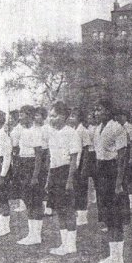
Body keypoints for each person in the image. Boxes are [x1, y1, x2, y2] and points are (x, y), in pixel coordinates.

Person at [93, 99, 130, 263]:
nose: (97, 113)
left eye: (100, 109)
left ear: (108, 111)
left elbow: (122, 158)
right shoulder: (98, 129)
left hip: (114, 171)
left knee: (116, 217)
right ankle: (112, 255)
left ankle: (119, 259)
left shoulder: (117, 128)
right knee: (107, 216)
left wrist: (119, 182)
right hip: (102, 171)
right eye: (95, 110)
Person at [46, 102, 82, 255]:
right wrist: (49, 179)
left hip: (67, 172)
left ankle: (71, 245)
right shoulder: (53, 134)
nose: (51, 119)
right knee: (59, 209)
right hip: (55, 172)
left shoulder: (71, 133)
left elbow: (74, 159)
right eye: (50, 116)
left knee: (68, 209)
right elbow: (52, 159)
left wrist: (69, 180)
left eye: (53, 116)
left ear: (63, 116)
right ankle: (64, 244)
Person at [16, 105, 44, 245]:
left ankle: (36, 235)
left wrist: (35, 176)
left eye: (23, 115)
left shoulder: (36, 131)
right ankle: (31, 233)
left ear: (30, 116)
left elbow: (39, 155)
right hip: (23, 165)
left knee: (35, 201)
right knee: (28, 200)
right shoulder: (24, 131)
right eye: (20, 114)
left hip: (32, 166)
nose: (20, 117)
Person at [68, 107, 92, 226]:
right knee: (75, 188)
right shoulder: (73, 129)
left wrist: (84, 168)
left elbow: (86, 150)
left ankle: (83, 216)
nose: (71, 118)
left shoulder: (83, 131)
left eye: (74, 116)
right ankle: (78, 212)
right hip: (75, 160)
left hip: (82, 161)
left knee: (82, 188)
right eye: (71, 115)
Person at [115, 109, 132, 208]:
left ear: (125, 116)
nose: (119, 118)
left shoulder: (129, 127)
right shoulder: (118, 127)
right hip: (120, 151)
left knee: (128, 177)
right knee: (121, 176)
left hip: (127, 152)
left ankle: (130, 199)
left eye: (121, 115)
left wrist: (131, 158)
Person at [34, 106, 51, 216]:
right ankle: (39, 204)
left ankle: (48, 206)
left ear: (43, 117)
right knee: (38, 180)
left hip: (45, 154)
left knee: (46, 180)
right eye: (34, 115)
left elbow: (50, 146)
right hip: (36, 155)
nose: (35, 117)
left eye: (38, 115)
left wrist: (48, 160)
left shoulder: (47, 128)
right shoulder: (34, 128)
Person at [9, 109, 26, 213]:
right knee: (18, 179)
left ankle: (23, 203)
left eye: (11, 118)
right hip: (15, 156)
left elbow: (17, 144)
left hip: (19, 156)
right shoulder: (14, 129)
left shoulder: (19, 129)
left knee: (21, 179)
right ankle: (22, 202)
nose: (10, 120)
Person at [85, 111, 98, 204]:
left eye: (91, 118)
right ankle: (90, 195)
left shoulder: (97, 128)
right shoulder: (88, 128)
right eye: (88, 118)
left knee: (95, 175)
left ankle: (96, 194)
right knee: (87, 175)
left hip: (94, 152)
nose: (89, 120)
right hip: (88, 152)